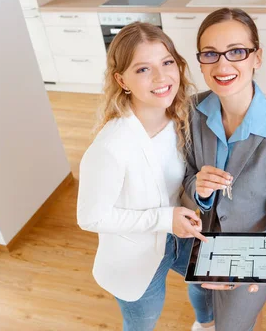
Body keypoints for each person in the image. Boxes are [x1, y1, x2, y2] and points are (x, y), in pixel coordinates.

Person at [77, 22, 213, 331]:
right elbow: (90, 218)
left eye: (166, 63)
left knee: (207, 284)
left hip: (180, 237)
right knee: (143, 324)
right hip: (135, 257)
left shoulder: (179, 118)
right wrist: (165, 220)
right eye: (143, 69)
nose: (162, 77)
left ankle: (205, 326)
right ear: (121, 80)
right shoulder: (111, 147)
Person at [182, 8, 266, 331]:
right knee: (201, 301)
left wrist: (249, 269)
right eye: (211, 54)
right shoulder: (191, 112)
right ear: (200, 61)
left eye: (237, 52)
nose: (222, 65)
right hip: (200, 248)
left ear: (257, 57)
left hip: (251, 256)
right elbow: (184, 177)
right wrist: (197, 190)